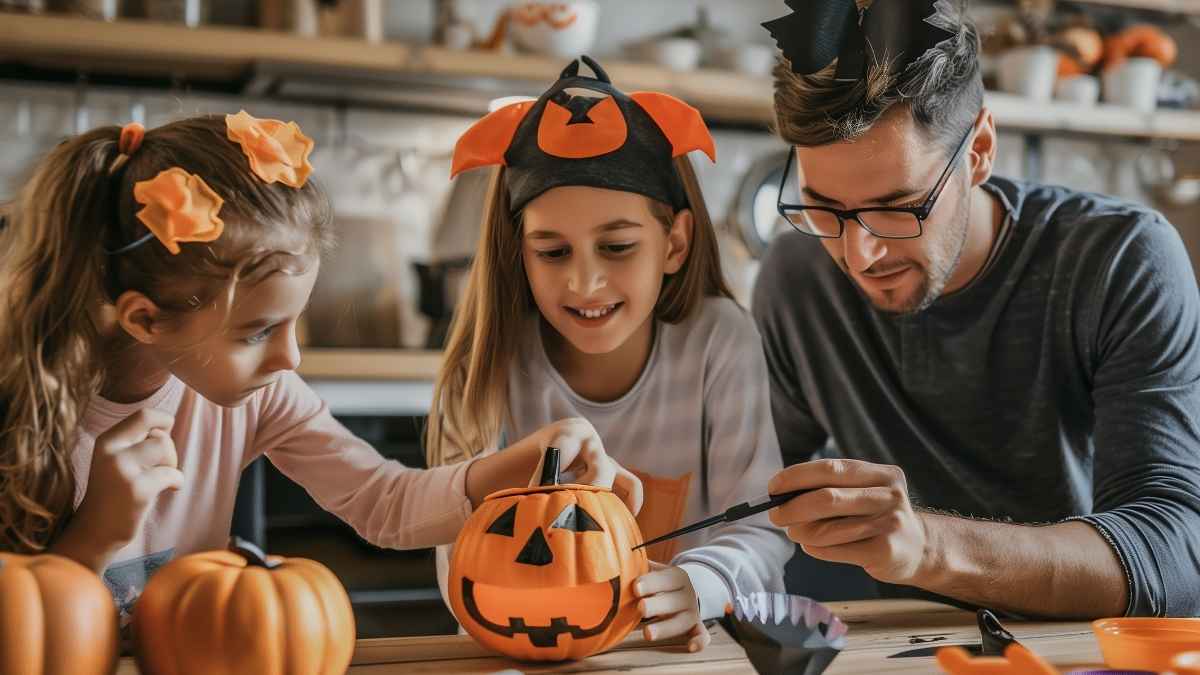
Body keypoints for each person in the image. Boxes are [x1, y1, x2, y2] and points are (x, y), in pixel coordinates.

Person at [0, 112, 637, 624]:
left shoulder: (261, 394)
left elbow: (383, 504)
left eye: (293, 323)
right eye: (258, 331)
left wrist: (528, 458)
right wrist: (96, 536)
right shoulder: (24, 403)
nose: (291, 358)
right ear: (145, 320)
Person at [755, 0, 1200, 618]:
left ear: (980, 149)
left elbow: (1176, 559)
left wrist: (927, 547)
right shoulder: (796, 274)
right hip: (897, 645)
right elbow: (743, 489)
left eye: (899, 206)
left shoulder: (1120, 259)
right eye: (823, 207)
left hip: (1077, 646)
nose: (860, 254)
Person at [426, 56, 793, 651]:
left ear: (673, 242)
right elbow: (463, 573)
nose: (585, 284)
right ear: (519, 253)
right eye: (553, 252)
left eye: (617, 246)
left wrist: (697, 585)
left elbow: (761, 532)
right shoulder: (488, 367)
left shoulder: (719, 342)